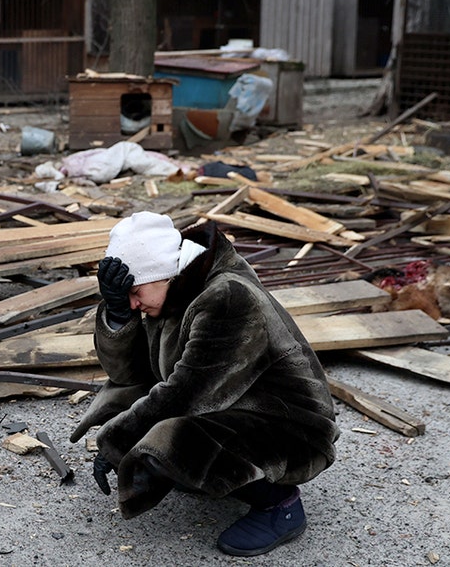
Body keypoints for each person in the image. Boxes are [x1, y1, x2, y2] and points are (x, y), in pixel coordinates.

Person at [70, 212, 339, 556]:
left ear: (161, 273)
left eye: (135, 293)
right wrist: (119, 314)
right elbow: (129, 376)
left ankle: (280, 506)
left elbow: (188, 394)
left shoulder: (227, 297)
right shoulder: (173, 291)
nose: (134, 302)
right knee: (125, 402)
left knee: (174, 439)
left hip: (290, 428)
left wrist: (120, 441)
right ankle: (204, 473)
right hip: (231, 404)